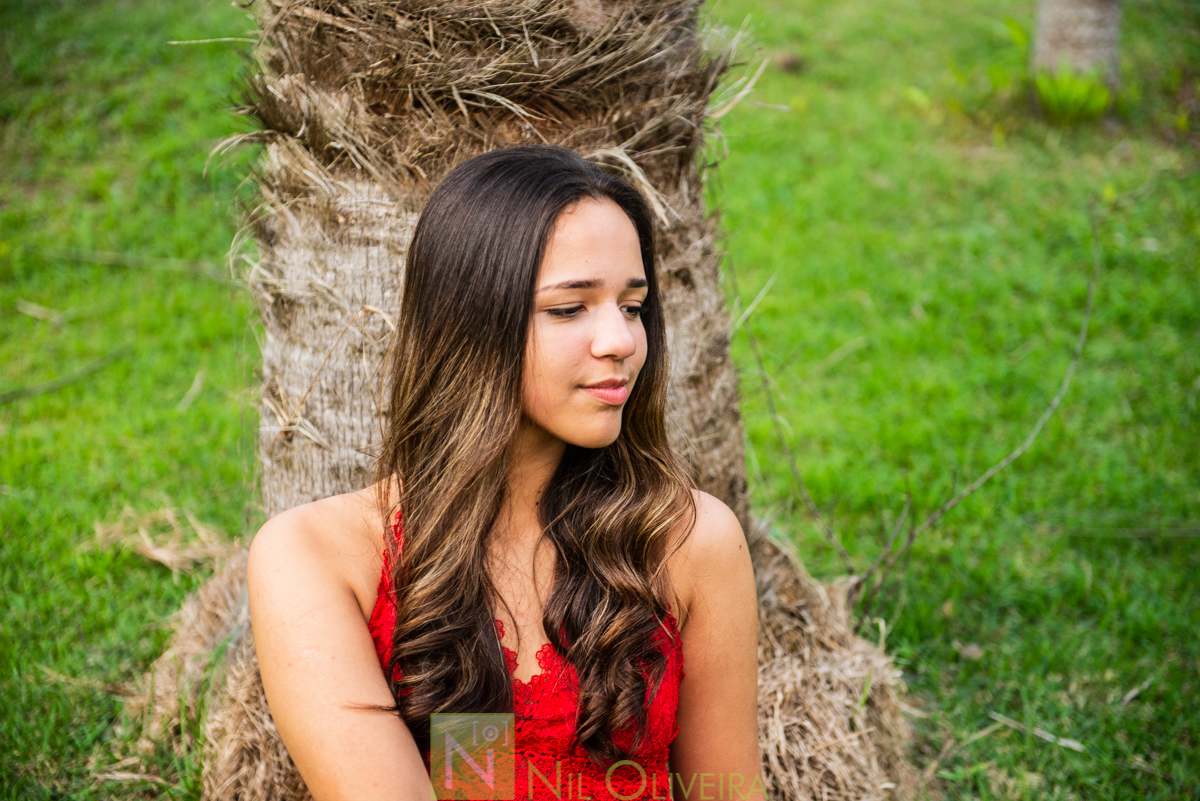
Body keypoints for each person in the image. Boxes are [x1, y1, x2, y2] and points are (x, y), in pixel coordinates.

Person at [247, 145, 763, 801]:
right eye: (570, 307)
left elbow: (726, 790)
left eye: (632, 306)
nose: (621, 341)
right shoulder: (319, 556)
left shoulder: (688, 541)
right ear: (470, 319)